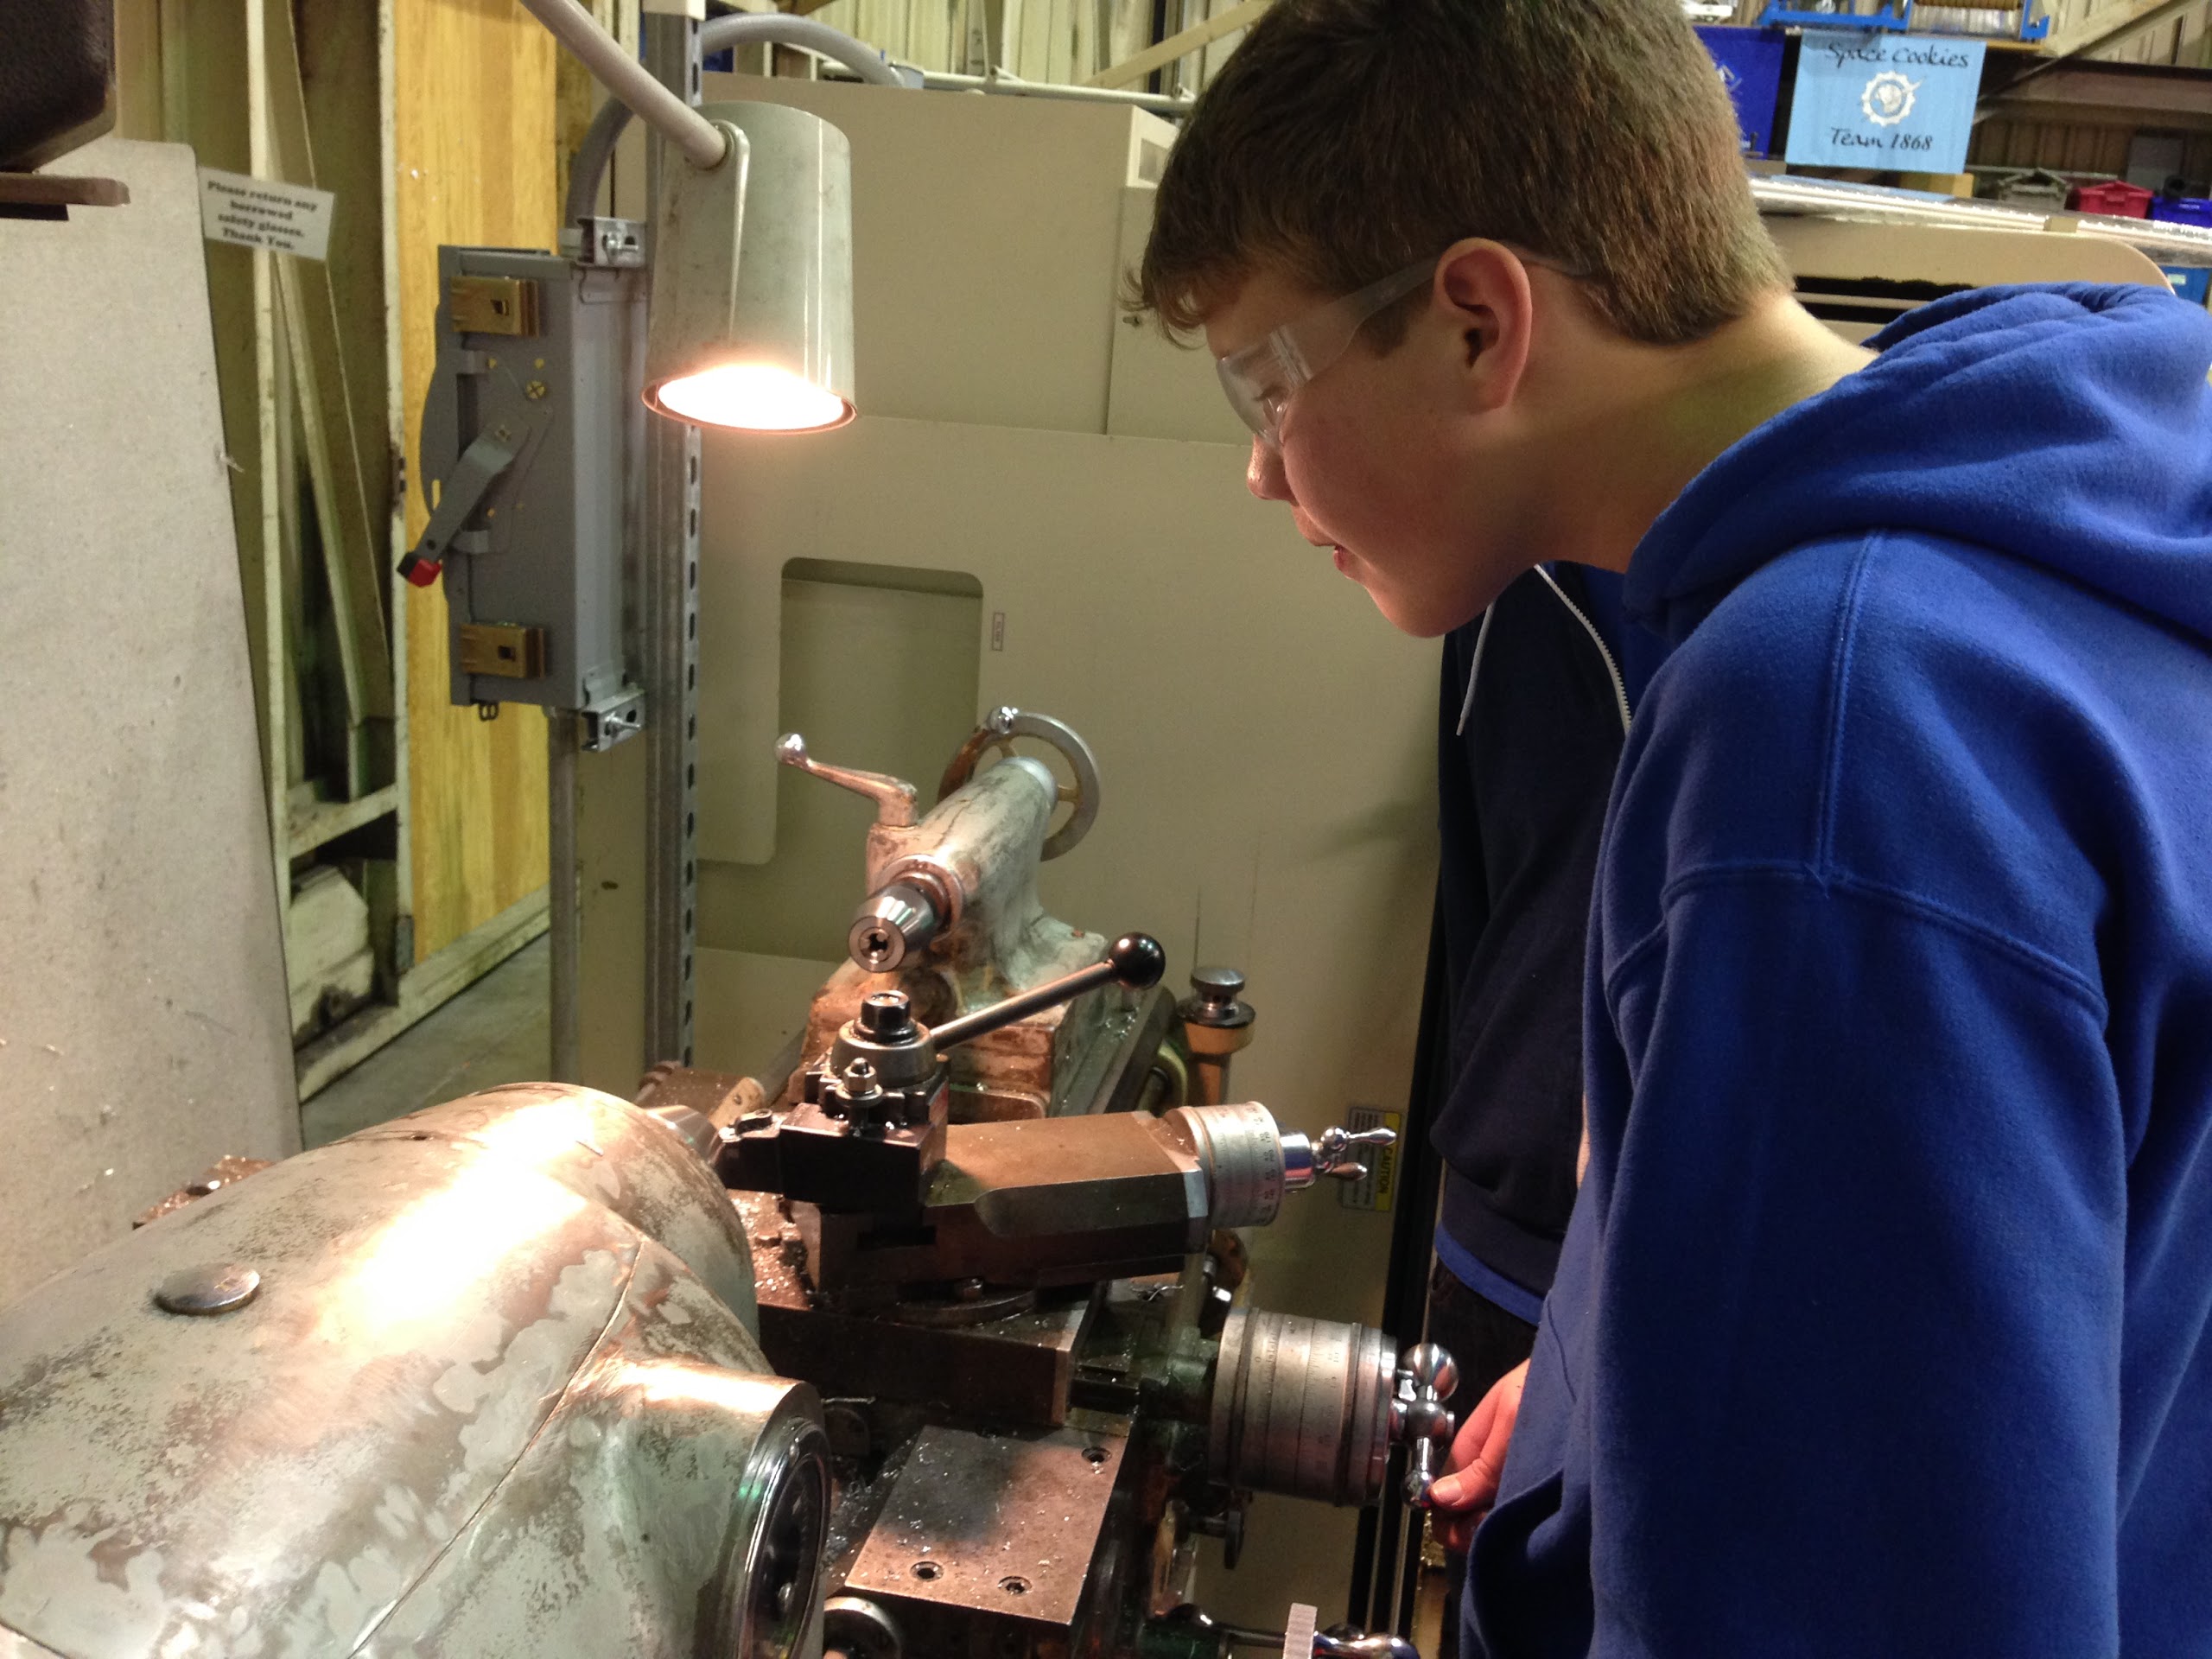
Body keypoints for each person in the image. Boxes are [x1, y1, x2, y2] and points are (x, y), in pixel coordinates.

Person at [1132, 1, 2212, 1654]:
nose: (1264, 477)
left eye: (1265, 389)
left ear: (1481, 323)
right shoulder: (2034, 516)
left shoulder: (1835, 731)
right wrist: (1586, 1398)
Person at [1423, 562, 1665, 1657]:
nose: (1266, 474)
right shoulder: (1492, 594)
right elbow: (1479, 896)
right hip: (1500, 1237)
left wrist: (1590, 1343)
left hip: (1621, 1284)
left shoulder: (1767, 636)